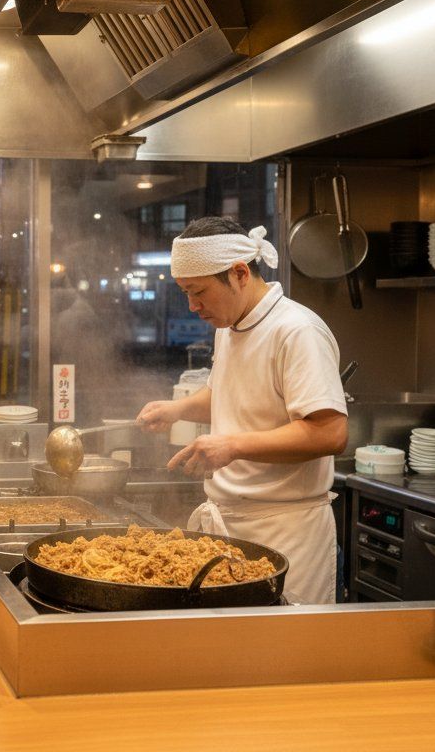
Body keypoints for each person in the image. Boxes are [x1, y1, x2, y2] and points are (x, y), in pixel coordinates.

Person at [136, 217, 348, 605]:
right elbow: (225, 393)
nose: (192, 306)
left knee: (282, 658)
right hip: (229, 528)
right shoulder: (230, 326)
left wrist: (232, 446)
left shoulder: (296, 331)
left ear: (239, 273)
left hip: (285, 533)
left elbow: (329, 433)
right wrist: (178, 409)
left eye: (198, 291)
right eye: (184, 292)